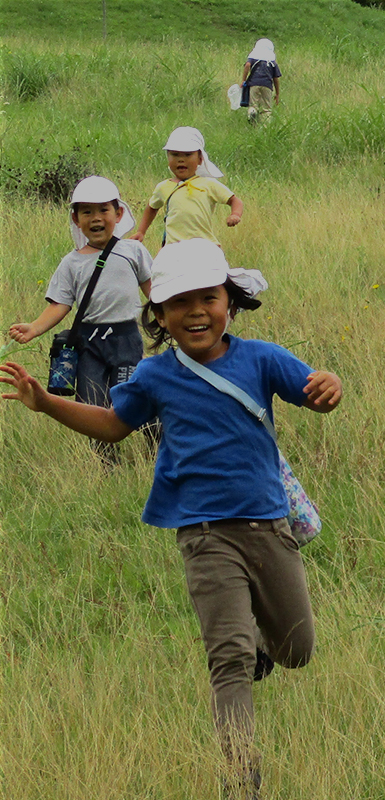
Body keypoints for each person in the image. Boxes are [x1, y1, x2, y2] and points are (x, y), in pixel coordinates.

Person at [2, 239, 342, 797]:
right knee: (227, 660)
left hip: (270, 526)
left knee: (297, 649)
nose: (195, 312)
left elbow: (316, 392)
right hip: (204, 537)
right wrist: (47, 403)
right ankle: (241, 779)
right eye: (178, 303)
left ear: (229, 302)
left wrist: (332, 385)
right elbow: (114, 424)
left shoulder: (261, 359)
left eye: (207, 298)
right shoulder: (156, 376)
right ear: (158, 315)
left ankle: (263, 646)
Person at [7, 176, 152, 462]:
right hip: (88, 345)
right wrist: (33, 327)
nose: (96, 218)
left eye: (103, 210)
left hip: (126, 340)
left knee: (131, 399)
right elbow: (60, 305)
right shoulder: (71, 262)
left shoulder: (133, 252)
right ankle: (108, 466)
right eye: (87, 212)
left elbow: (156, 294)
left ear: (118, 214)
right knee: (91, 404)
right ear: (76, 219)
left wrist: (172, 320)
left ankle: (155, 450)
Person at [130, 127, 243, 247]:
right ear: (168, 158)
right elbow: (152, 207)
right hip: (174, 248)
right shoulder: (164, 187)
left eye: (188, 155)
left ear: (200, 159)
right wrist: (141, 232)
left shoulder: (208, 184)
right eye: (175, 154)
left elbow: (235, 200)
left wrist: (235, 214)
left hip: (204, 247)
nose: (181, 160)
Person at [242, 38, 281, 125]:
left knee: (253, 104)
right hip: (267, 85)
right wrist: (277, 93)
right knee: (266, 108)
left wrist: (243, 80)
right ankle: (265, 126)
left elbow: (247, 65)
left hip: (253, 84)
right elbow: (276, 78)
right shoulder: (272, 62)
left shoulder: (253, 58)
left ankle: (252, 112)